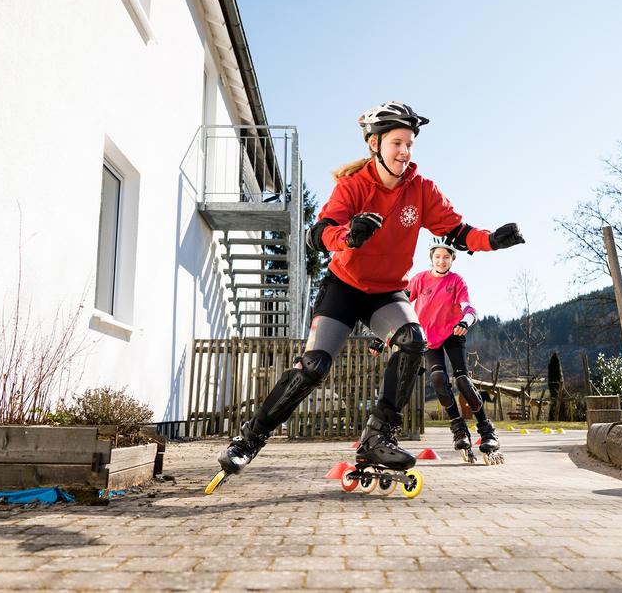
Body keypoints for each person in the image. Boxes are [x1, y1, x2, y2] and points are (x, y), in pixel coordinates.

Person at [217, 101, 525, 476]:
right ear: (374, 144)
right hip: (344, 288)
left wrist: (491, 240)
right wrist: (350, 235)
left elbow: (457, 231)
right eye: (397, 143)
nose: (405, 152)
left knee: (413, 340)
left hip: (387, 293)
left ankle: (378, 437)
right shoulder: (354, 186)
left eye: (409, 144)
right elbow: (318, 235)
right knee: (314, 366)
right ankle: (248, 440)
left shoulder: (421, 190)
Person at [406, 238, 500, 462]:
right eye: (437, 257)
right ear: (431, 258)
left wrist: (465, 322)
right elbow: (401, 305)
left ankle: (487, 431)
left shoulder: (456, 281)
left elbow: (469, 309)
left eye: (446, 257)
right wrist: (383, 336)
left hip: (453, 333)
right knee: (438, 378)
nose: (441, 261)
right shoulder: (419, 279)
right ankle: (459, 429)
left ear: (452, 259)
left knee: (462, 381)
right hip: (429, 339)